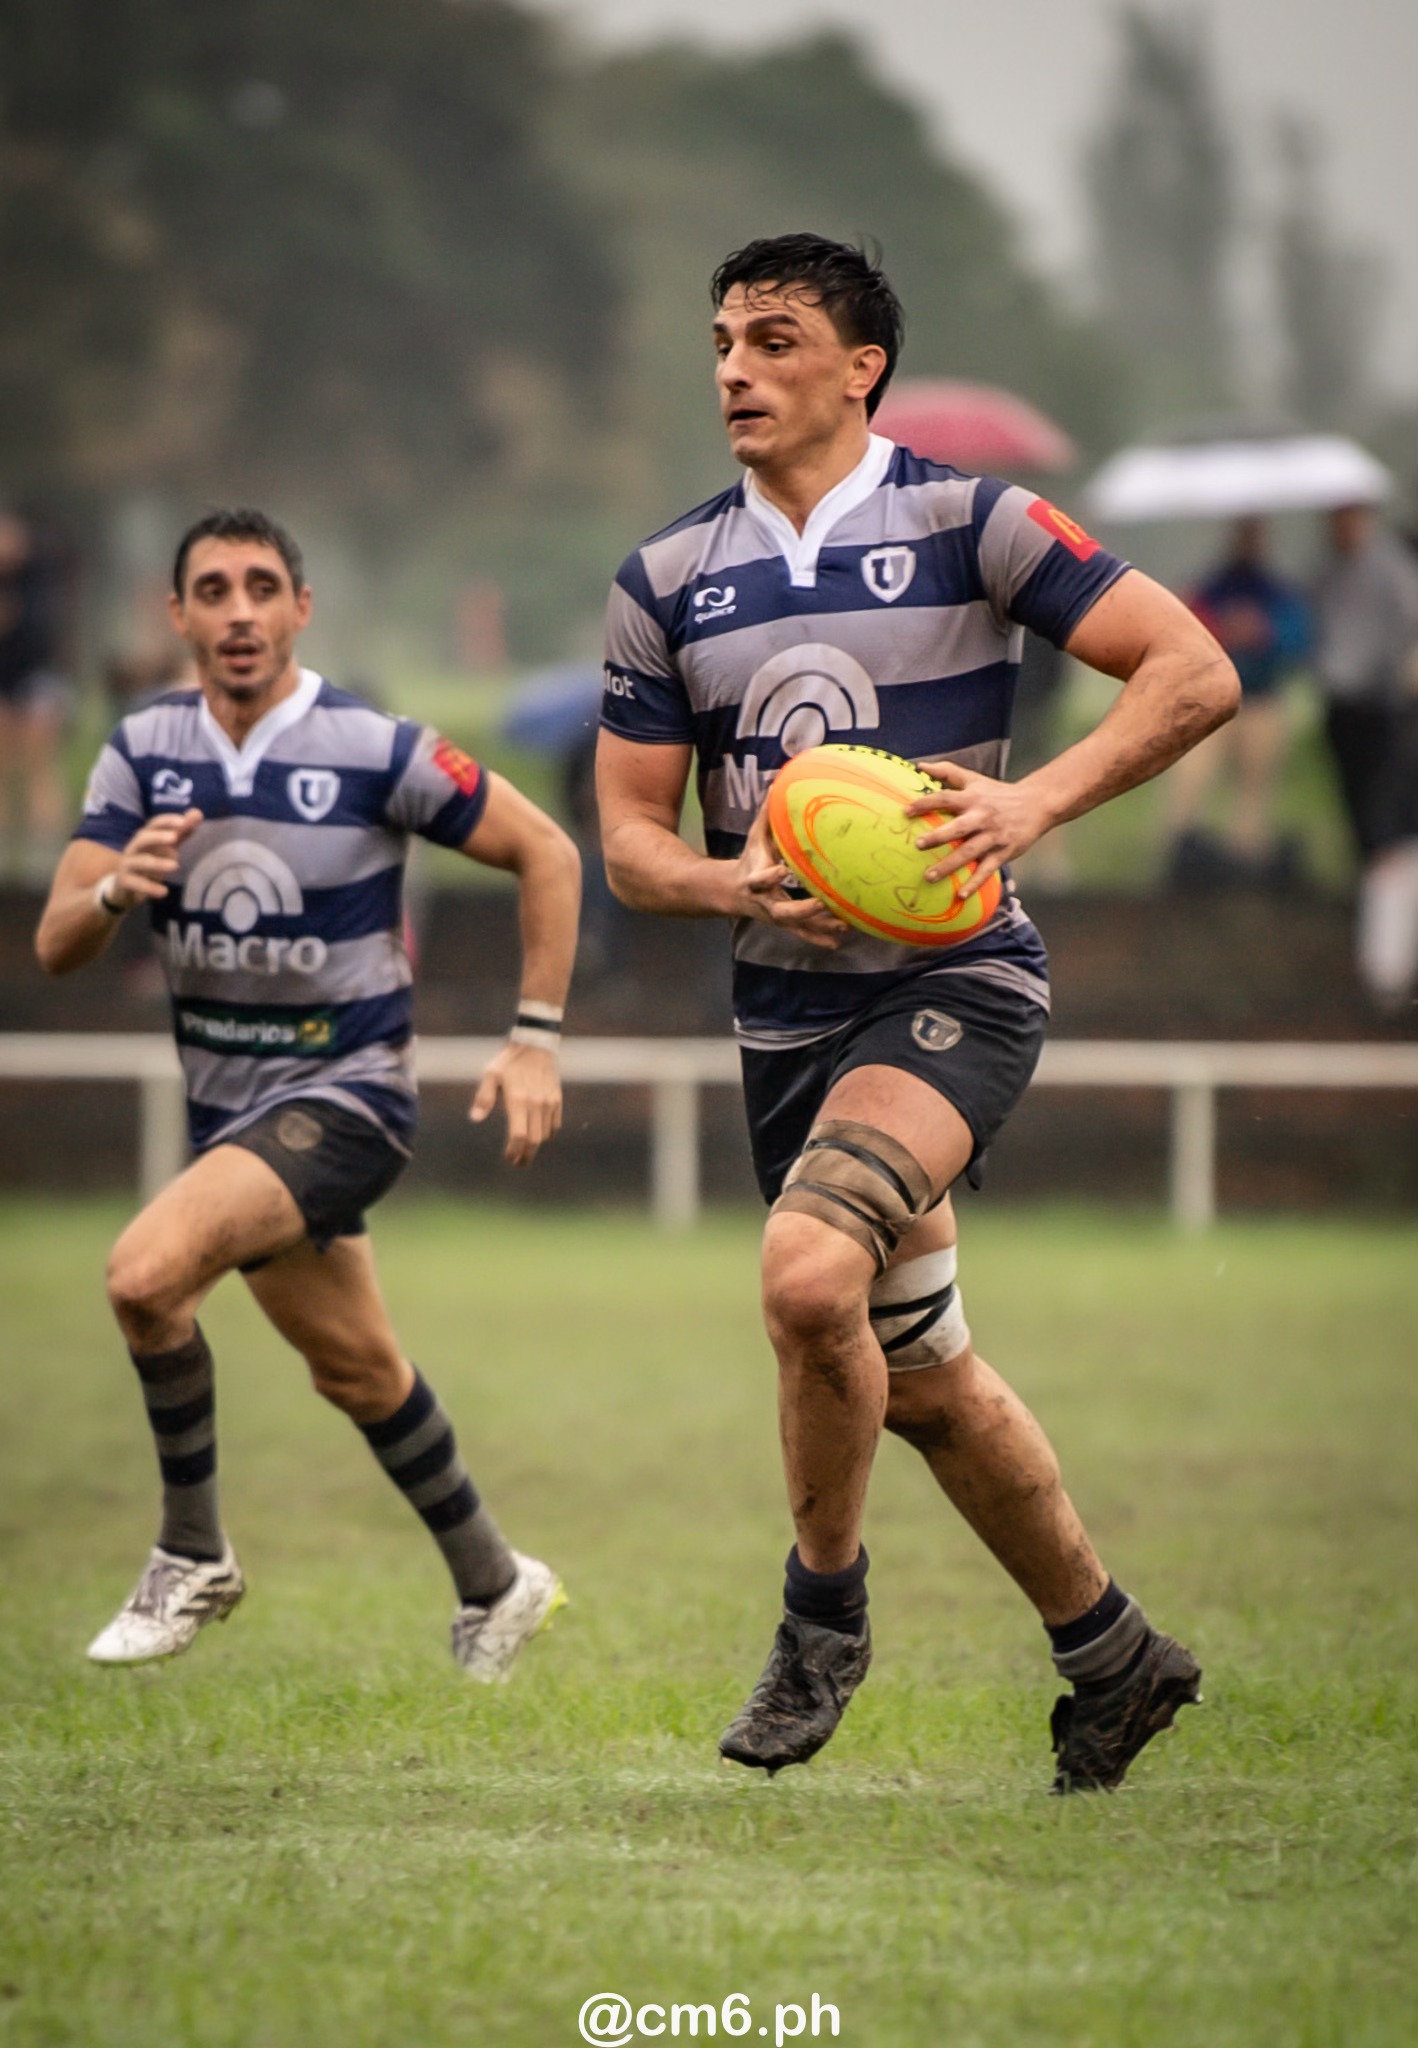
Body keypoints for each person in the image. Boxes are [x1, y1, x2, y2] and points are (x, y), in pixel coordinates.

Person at [596, 235, 1238, 1790]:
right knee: (925, 1378)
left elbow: (1191, 671)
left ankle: (821, 1616)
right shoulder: (664, 578)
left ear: (858, 364)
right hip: (785, 1020)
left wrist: (1038, 808)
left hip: (957, 987)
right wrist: (730, 887)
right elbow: (627, 842)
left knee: (810, 1280)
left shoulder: (972, 520)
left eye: (772, 336)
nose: (734, 367)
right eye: (721, 340)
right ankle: (1112, 1656)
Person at [36, 509, 582, 1678]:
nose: (239, 611)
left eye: (262, 587)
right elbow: (53, 943)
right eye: (214, 590)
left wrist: (533, 1036)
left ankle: (193, 1554)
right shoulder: (142, 751)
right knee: (358, 1369)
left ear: (300, 607)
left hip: (350, 1100)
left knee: (142, 1277)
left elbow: (549, 850)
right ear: (176, 614)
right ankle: (495, 1579)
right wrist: (112, 892)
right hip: (232, 1117)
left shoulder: (375, 747)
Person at [1163, 516, 1311, 886]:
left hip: (1259, 700)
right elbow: (1186, 631)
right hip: (1210, 703)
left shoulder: (1277, 591)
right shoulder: (1212, 587)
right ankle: (1180, 862)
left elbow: (1298, 639)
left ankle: (1246, 872)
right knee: (1190, 783)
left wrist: (1265, 631)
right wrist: (1225, 630)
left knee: (1253, 798)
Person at [1312, 502, 1418, 1011]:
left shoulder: (1391, 571)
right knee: (1377, 839)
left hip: (1389, 715)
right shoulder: (1328, 574)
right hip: (1349, 714)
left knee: (1389, 842)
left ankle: (1387, 970)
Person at [0, 508, 72, 881]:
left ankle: (44, 855)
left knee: (40, 765)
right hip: (5, 682)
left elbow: (39, 636)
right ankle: (8, 850)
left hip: (37, 680)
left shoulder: (39, 578)